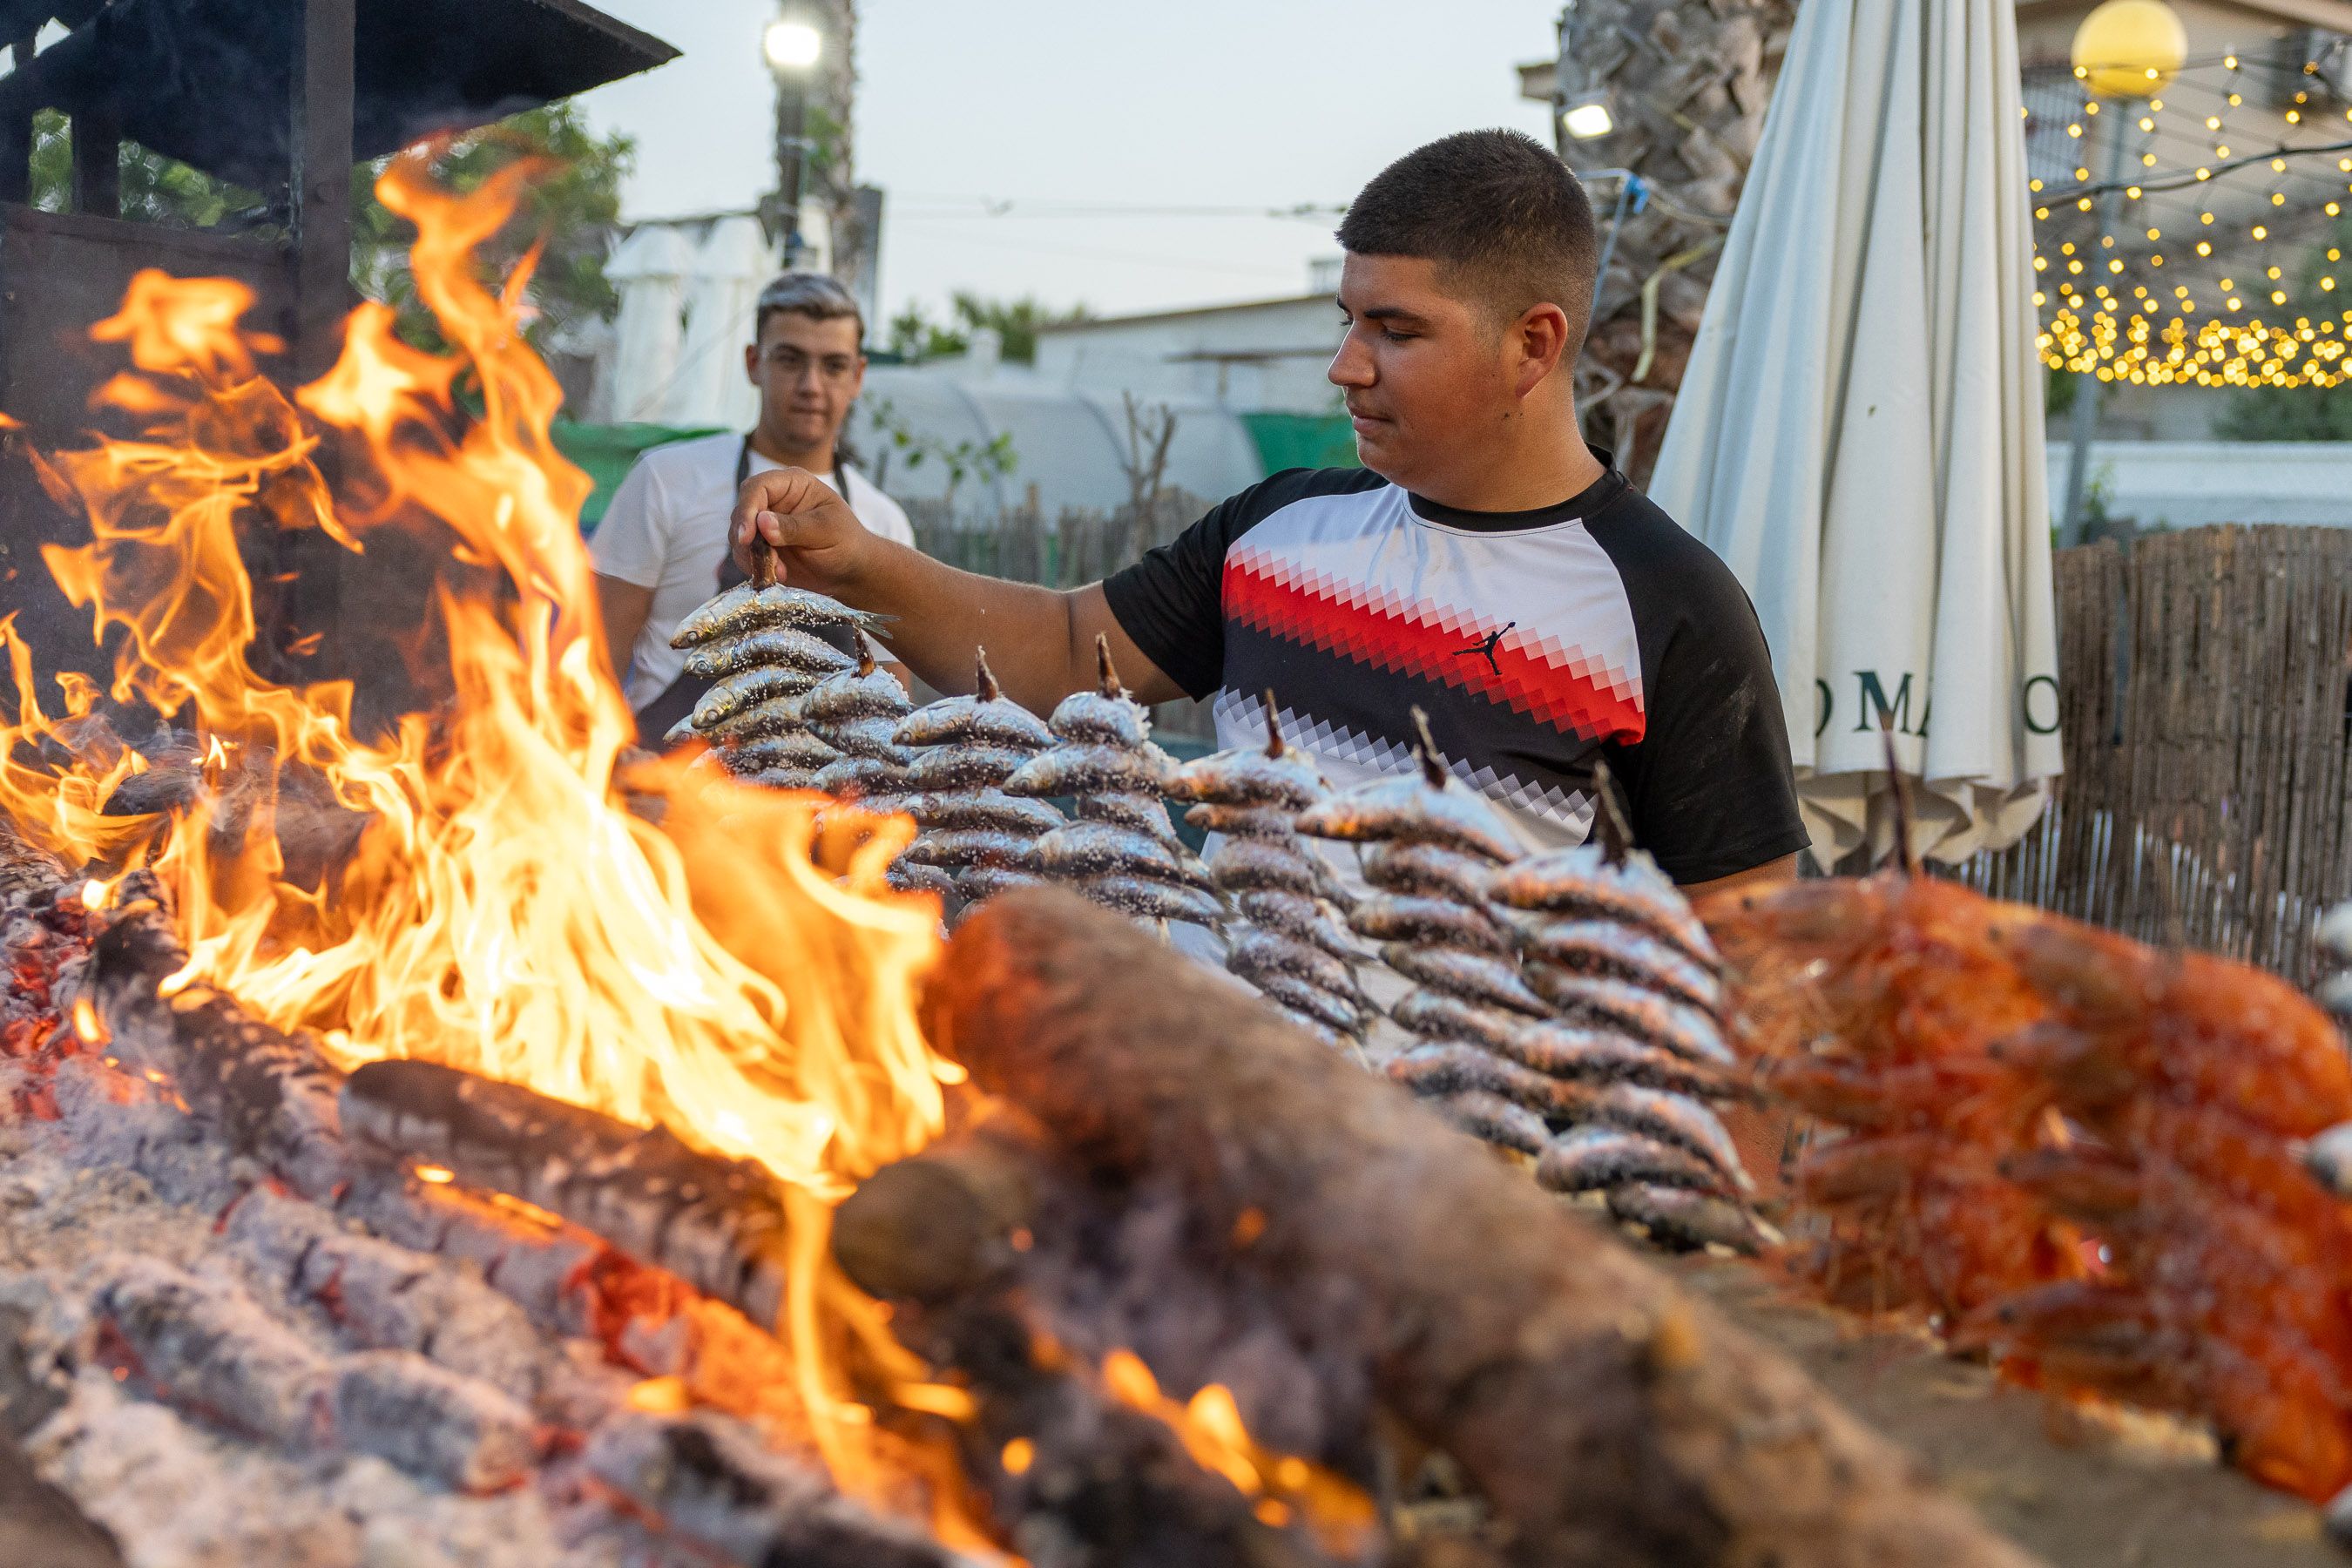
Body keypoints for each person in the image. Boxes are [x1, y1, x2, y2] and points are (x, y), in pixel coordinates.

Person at [728, 132, 1806, 892]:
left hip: (1471, 1197)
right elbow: (1063, 651)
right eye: (1348, 319)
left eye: (1396, 329)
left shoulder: (1670, 606)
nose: (1346, 366)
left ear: (1534, 343)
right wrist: (857, 558)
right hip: (1207, 1144)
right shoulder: (1278, 529)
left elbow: (1745, 949)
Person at [591, 272, 915, 744]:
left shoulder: (883, 523)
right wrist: (608, 759)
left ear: (858, 376)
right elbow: (592, 655)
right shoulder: (666, 479)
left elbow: (887, 705)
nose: (810, 385)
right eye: (789, 360)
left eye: (833, 366)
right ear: (752, 363)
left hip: (811, 809)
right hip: (668, 794)